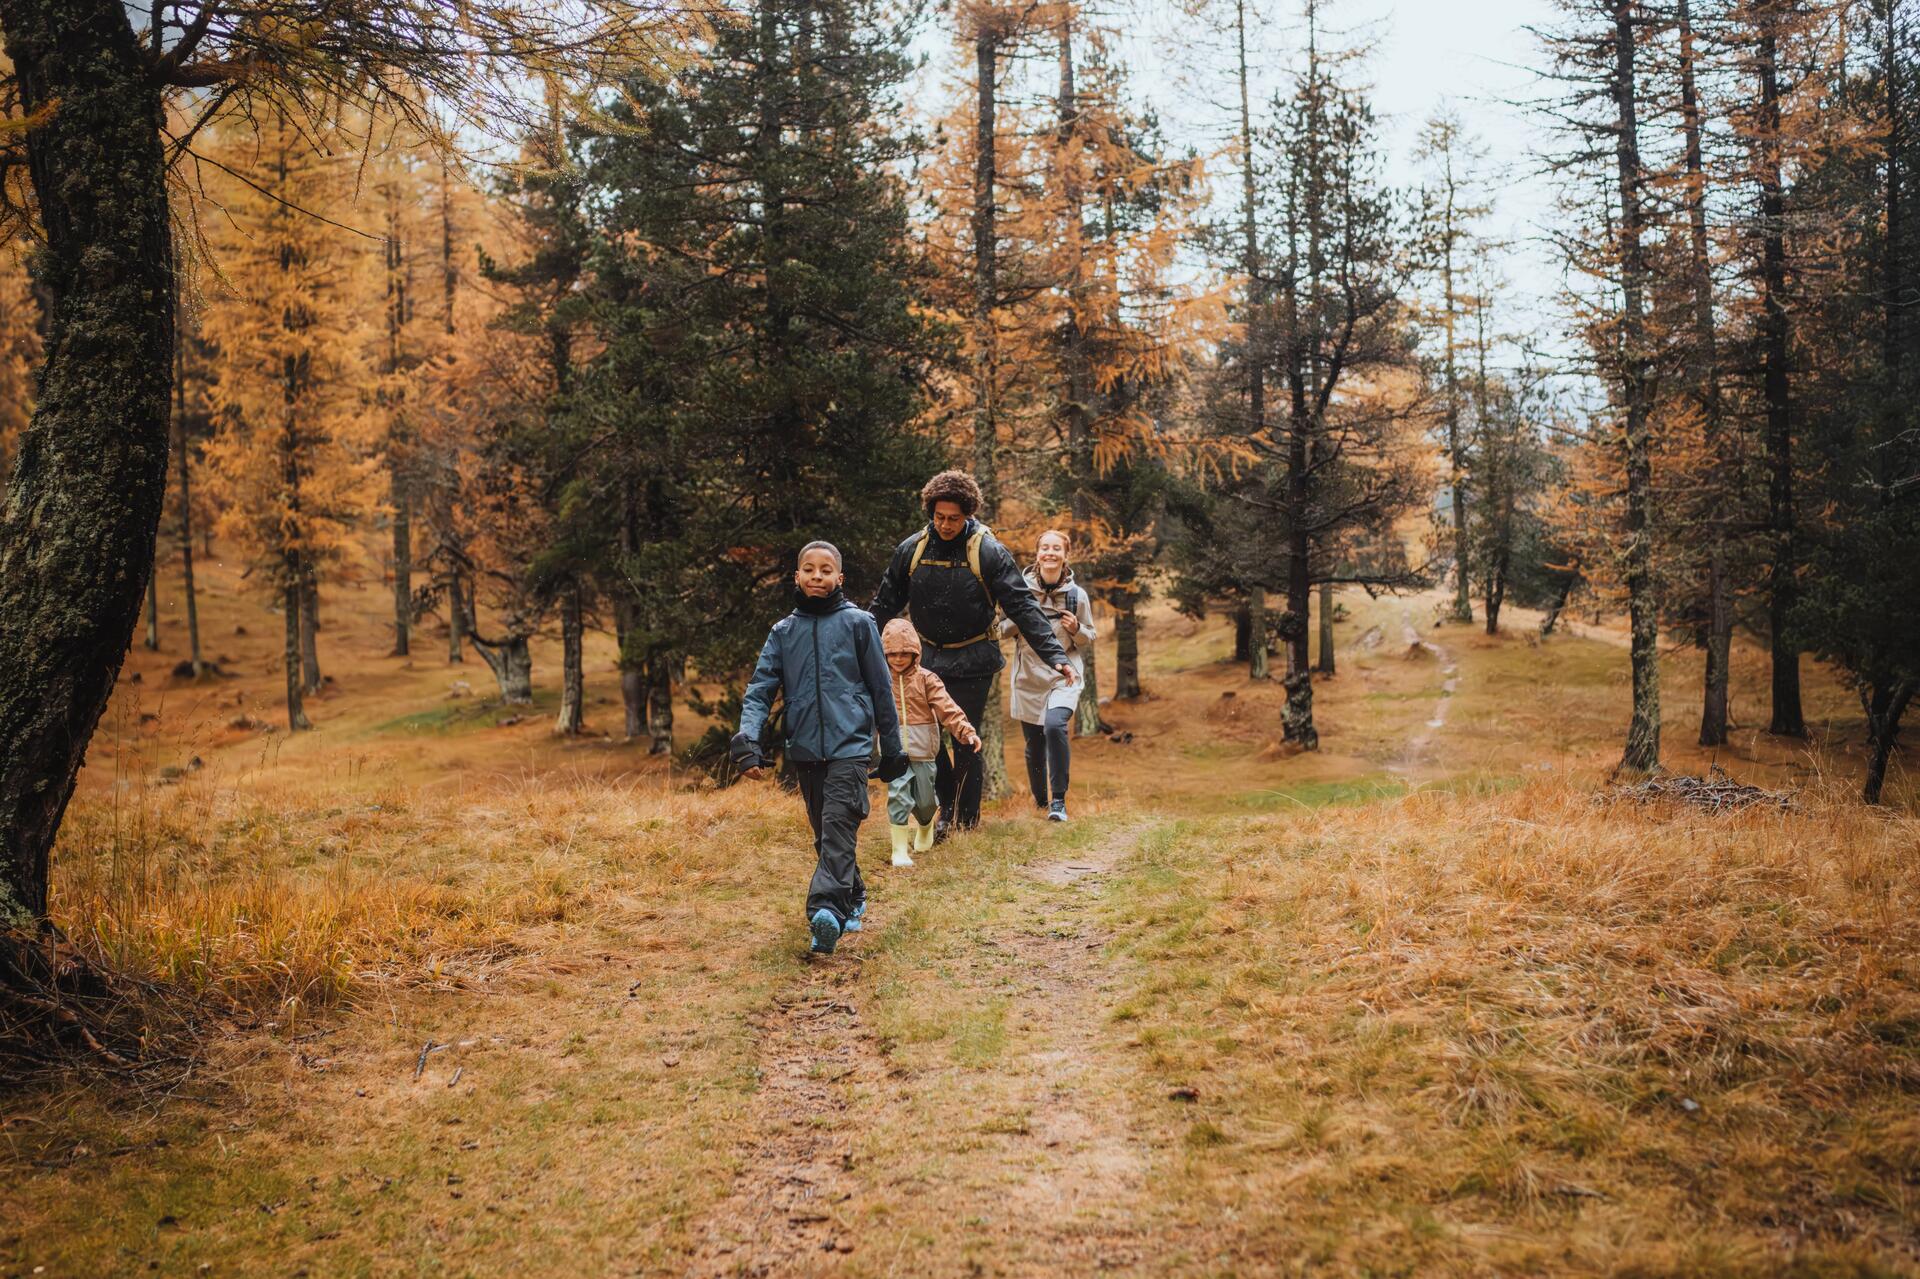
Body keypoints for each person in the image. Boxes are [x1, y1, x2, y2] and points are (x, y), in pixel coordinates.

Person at [869, 470, 1074, 837]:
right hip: (926, 660)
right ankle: (947, 806)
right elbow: (884, 604)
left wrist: (1055, 655)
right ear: (931, 512)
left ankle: (964, 819)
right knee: (927, 739)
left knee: (964, 737)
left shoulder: (988, 551)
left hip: (973, 659)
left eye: (954, 518)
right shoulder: (912, 550)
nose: (946, 525)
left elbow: (1023, 607)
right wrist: (858, 643)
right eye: (939, 517)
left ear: (968, 514)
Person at [733, 541, 907, 956]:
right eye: (808, 569)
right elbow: (760, 691)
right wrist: (748, 739)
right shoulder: (783, 632)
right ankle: (854, 893)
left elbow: (882, 690)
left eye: (825, 570)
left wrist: (894, 748)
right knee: (826, 835)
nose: (816, 576)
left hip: (851, 749)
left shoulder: (859, 624)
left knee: (837, 826)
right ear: (797, 576)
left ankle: (825, 911)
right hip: (806, 750)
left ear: (839, 578)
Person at [1001, 529, 1096, 822]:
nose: (1050, 553)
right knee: (1034, 744)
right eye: (1045, 547)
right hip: (1028, 674)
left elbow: (1090, 636)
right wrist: (1017, 622)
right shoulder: (1019, 590)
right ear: (1037, 553)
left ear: (1066, 555)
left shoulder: (1076, 596)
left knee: (1055, 727)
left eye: (1057, 548)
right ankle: (1041, 801)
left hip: (1064, 674)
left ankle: (1058, 802)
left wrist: (1076, 629)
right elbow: (1000, 629)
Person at [879, 619, 980, 867]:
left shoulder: (927, 679)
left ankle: (925, 825)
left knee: (925, 801)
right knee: (899, 796)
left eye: (905, 653)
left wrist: (965, 730)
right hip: (894, 752)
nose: (898, 659)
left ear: (916, 653)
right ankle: (899, 850)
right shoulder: (880, 679)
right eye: (892, 654)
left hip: (924, 751)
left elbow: (946, 707)